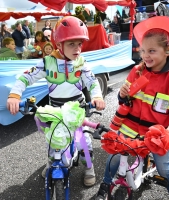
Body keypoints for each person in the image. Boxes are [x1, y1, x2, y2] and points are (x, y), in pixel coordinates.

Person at [95, 16, 169, 200]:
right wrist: (122, 95)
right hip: (130, 126)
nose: (146, 55)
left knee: (165, 169)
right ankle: (105, 183)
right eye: (143, 50)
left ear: (168, 51)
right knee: (114, 156)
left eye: (152, 51)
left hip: (157, 135)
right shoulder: (137, 71)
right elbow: (125, 102)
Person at [6, 16, 105, 186]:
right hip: (56, 111)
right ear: (59, 45)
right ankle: (52, 163)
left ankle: (89, 168)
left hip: (78, 109)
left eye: (80, 43)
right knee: (53, 142)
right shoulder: (47, 62)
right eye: (72, 44)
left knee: (84, 143)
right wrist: (15, 95)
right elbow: (25, 77)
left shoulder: (81, 62)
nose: (78, 49)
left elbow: (92, 81)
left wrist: (97, 96)